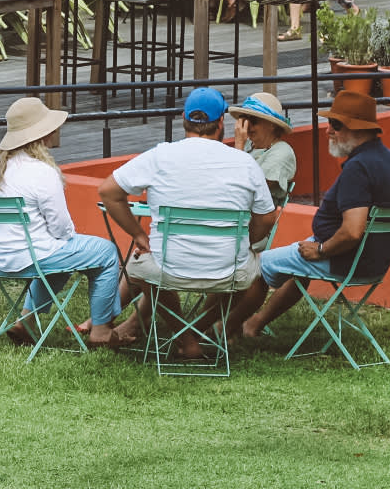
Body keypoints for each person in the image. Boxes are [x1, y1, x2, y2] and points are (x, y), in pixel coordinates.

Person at [99, 88, 276, 351]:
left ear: (184, 119)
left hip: (168, 268)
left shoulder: (160, 156)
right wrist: (247, 241)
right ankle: (192, 334)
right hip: (228, 270)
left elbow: (108, 191)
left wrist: (138, 235)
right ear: (221, 123)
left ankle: (185, 337)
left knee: (143, 269)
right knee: (250, 272)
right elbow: (267, 218)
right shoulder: (245, 163)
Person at [233, 91, 390, 340]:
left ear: (358, 129)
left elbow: (352, 232)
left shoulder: (359, 168)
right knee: (297, 260)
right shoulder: (389, 159)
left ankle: (223, 329)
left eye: (336, 125)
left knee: (257, 266)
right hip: (373, 260)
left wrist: (321, 250)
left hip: (344, 258)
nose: (328, 131)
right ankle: (254, 324)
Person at [0, 96, 129, 347]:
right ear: (42, 133)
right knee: (106, 252)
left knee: (60, 255)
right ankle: (101, 330)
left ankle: (26, 322)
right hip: (30, 256)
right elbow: (61, 228)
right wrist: (68, 238)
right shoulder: (42, 171)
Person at [232, 92, 297, 206]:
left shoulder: (282, 152)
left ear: (272, 124)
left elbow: (250, 188)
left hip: (253, 213)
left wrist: (238, 146)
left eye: (253, 120)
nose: (248, 126)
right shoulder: (248, 145)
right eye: (245, 120)